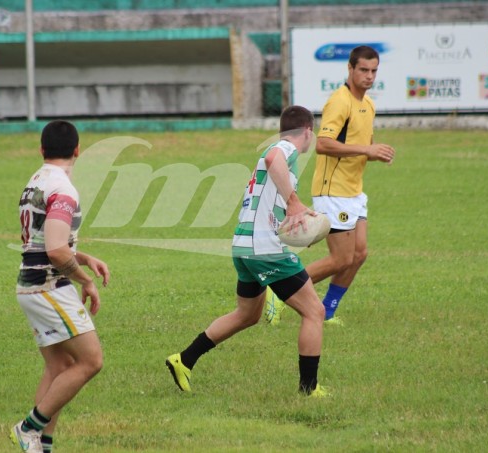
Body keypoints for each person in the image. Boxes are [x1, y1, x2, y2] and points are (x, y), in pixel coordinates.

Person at [166, 105, 328, 397]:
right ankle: (309, 390)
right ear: (307, 131)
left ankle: (184, 359)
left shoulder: (277, 159)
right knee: (314, 311)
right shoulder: (285, 148)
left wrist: (295, 219)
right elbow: (273, 156)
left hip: (244, 245)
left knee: (248, 314)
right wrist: (293, 201)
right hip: (264, 249)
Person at [11, 120, 110, 453]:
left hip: (30, 284)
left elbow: (45, 241)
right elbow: (54, 250)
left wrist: (82, 258)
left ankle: (42, 446)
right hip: (48, 286)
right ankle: (28, 428)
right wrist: (86, 281)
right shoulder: (63, 189)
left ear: (42, 150)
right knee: (91, 361)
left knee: (59, 367)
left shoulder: (35, 181)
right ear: (77, 150)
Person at [305, 46, 395, 325]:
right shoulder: (339, 101)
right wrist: (367, 151)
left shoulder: (368, 105)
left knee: (359, 254)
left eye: (374, 71)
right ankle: (280, 289)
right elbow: (322, 144)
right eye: (364, 70)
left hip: (353, 191)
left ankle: (328, 311)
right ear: (350, 69)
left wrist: (374, 152)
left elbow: (357, 144)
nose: (369, 76)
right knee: (341, 258)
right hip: (333, 191)